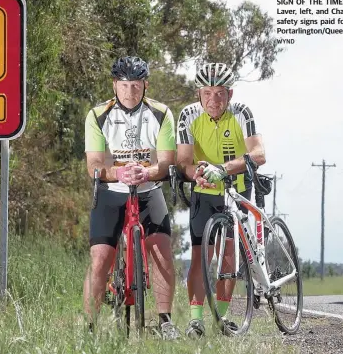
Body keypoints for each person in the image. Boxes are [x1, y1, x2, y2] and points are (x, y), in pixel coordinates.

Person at [83, 56, 180, 340]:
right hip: (111, 192)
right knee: (100, 258)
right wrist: (117, 173)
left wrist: (148, 172)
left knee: (162, 250)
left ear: (145, 85)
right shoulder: (98, 114)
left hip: (149, 190)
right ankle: (89, 327)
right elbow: (94, 166)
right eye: (124, 86)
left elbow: (166, 162)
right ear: (115, 85)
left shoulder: (161, 113)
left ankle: (165, 321)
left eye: (135, 86)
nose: (129, 92)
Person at [176, 62, 266, 338]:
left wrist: (224, 169)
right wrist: (195, 175)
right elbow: (183, 161)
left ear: (230, 94)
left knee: (229, 254)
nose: (213, 100)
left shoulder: (241, 113)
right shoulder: (188, 115)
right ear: (198, 94)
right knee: (201, 256)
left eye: (220, 94)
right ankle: (195, 320)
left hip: (235, 187)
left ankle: (223, 317)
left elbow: (259, 153)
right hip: (204, 190)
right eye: (207, 93)